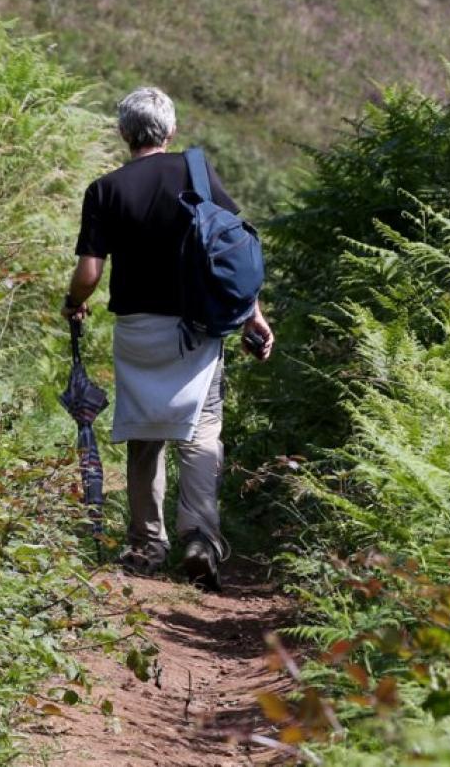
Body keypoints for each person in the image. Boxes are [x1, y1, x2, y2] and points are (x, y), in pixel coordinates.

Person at [61, 87, 274, 592]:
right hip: (195, 329)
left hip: (137, 329)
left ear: (123, 132)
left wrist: (73, 302)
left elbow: (89, 272)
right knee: (201, 433)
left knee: (144, 434)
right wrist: (252, 316)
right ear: (171, 131)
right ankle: (199, 537)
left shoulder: (105, 190)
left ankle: (146, 544)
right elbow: (233, 251)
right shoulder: (196, 174)